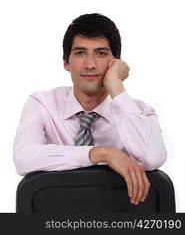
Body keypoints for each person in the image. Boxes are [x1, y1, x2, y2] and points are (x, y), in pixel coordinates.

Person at [13, 13, 167, 206]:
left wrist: (115, 85)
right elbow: (24, 158)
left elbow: (153, 157)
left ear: (116, 63)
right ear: (66, 63)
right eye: (80, 53)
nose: (90, 64)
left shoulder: (140, 112)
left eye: (101, 53)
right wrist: (103, 153)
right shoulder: (42, 104)